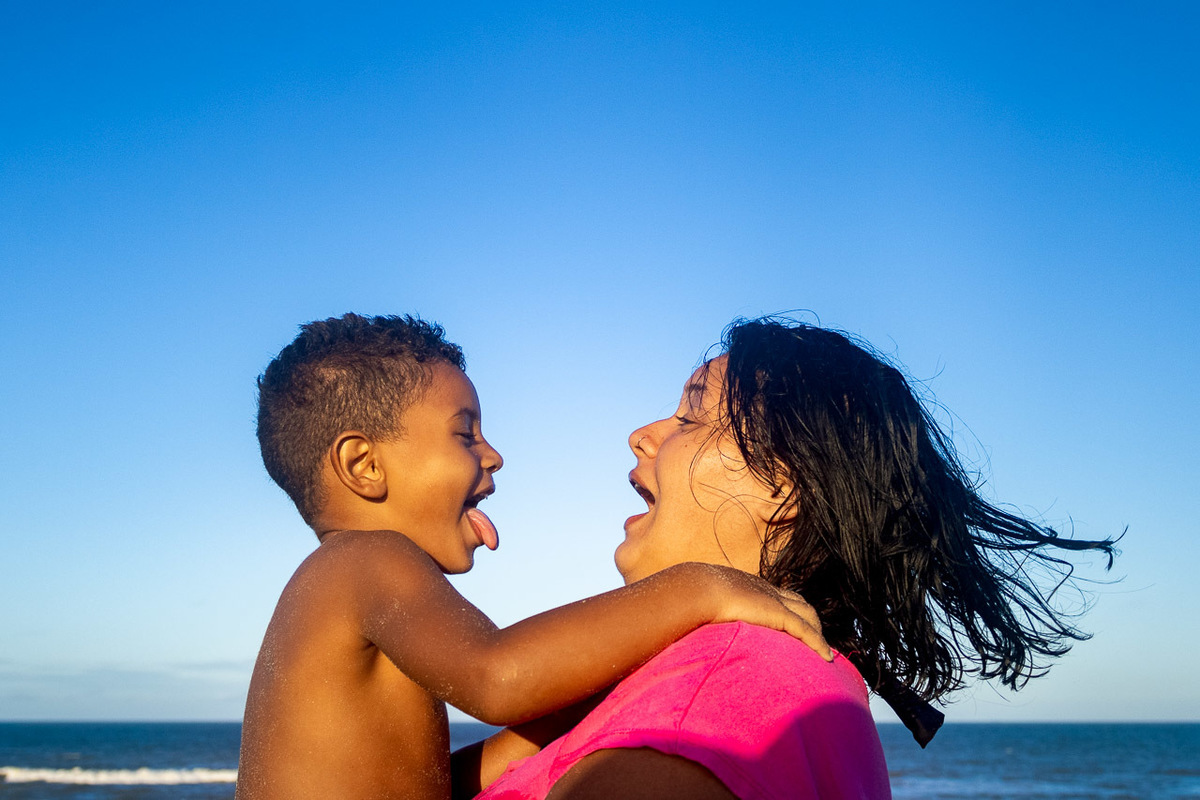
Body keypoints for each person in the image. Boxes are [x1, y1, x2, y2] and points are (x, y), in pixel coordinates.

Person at [471, 317, 1117, 800]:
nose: (641, 435)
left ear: (785, 490)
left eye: (692, 419)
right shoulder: (813, 682)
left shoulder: (708, 701)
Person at [235, 313, 828, 800]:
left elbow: (434, 782)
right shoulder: (365, 561)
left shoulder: (343, 582)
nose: (492, 455)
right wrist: (699, 588)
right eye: (464, 434)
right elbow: (500, 675)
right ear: (364, 466)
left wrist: (600, 702)